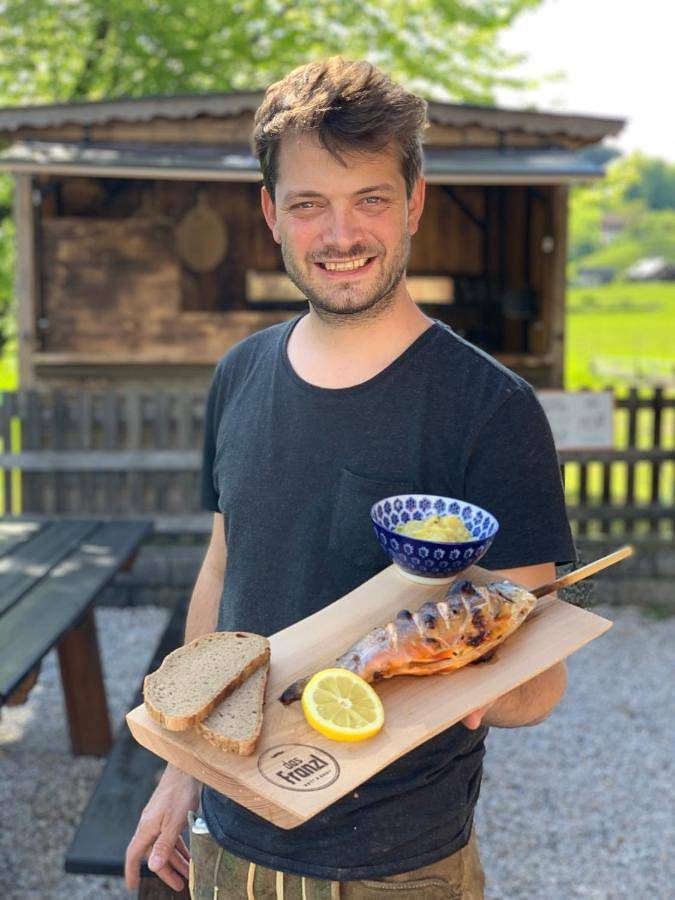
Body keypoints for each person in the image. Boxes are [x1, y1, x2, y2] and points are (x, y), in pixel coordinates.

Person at [125, 56, 576, 899]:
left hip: (397, 868)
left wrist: (471, 684)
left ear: (412, 202)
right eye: (308, 205)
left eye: (369, 198)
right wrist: (178, 770)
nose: (341, 235)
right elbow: (225, 574)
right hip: (226, 837)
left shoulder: (489, 409)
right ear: (270, 215)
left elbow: (538, 679)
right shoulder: (240, 375)